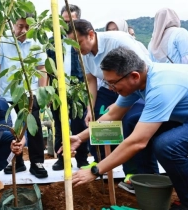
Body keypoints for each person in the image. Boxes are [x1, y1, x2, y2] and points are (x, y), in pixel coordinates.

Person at [71, 46, 188, 210]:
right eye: (107, 83)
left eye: (113, 83)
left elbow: (137, 142)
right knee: (134, 121)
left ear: (134, 76)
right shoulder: (140, 81)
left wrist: (96, 170)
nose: (111, 88)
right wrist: (79, 137)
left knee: (168, 145)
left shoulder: (160, 87)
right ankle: (150, 180)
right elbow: (113, 115)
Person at [67, 19, 158, 193]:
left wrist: (120, 100)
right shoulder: (84, 54)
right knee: (101, 122)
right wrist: (89, 111)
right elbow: (91, 81)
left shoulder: (118, 42)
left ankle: (138, 174)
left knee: (132, 125)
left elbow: (141, 72)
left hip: (139, 89)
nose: (76, 49)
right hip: (115, 90)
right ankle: (102, 160)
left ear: (91, 34)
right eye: (73, 45)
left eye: (78, 43)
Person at [0, 13, 48, 178]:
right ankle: (16, 161)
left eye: (27, 26)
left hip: (30, 93)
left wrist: (41, 93)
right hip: (7, 93)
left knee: (34, 127)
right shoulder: (3, 39)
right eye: (20, 26)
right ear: (14, 24)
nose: (23, 30)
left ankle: (37, 162)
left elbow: (41, 69)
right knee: (12, 128)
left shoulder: (38, 40)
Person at [46, 4, 89, 171]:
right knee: (60, 124)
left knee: (80, 124)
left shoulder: (82, 41)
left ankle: (82, 158)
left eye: (72, 21)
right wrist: (49, 92)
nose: (68, 26)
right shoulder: (52, 42)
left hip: (78, 89)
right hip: (58, 88)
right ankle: (62, 158)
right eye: (64, 22)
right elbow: (48, 70)